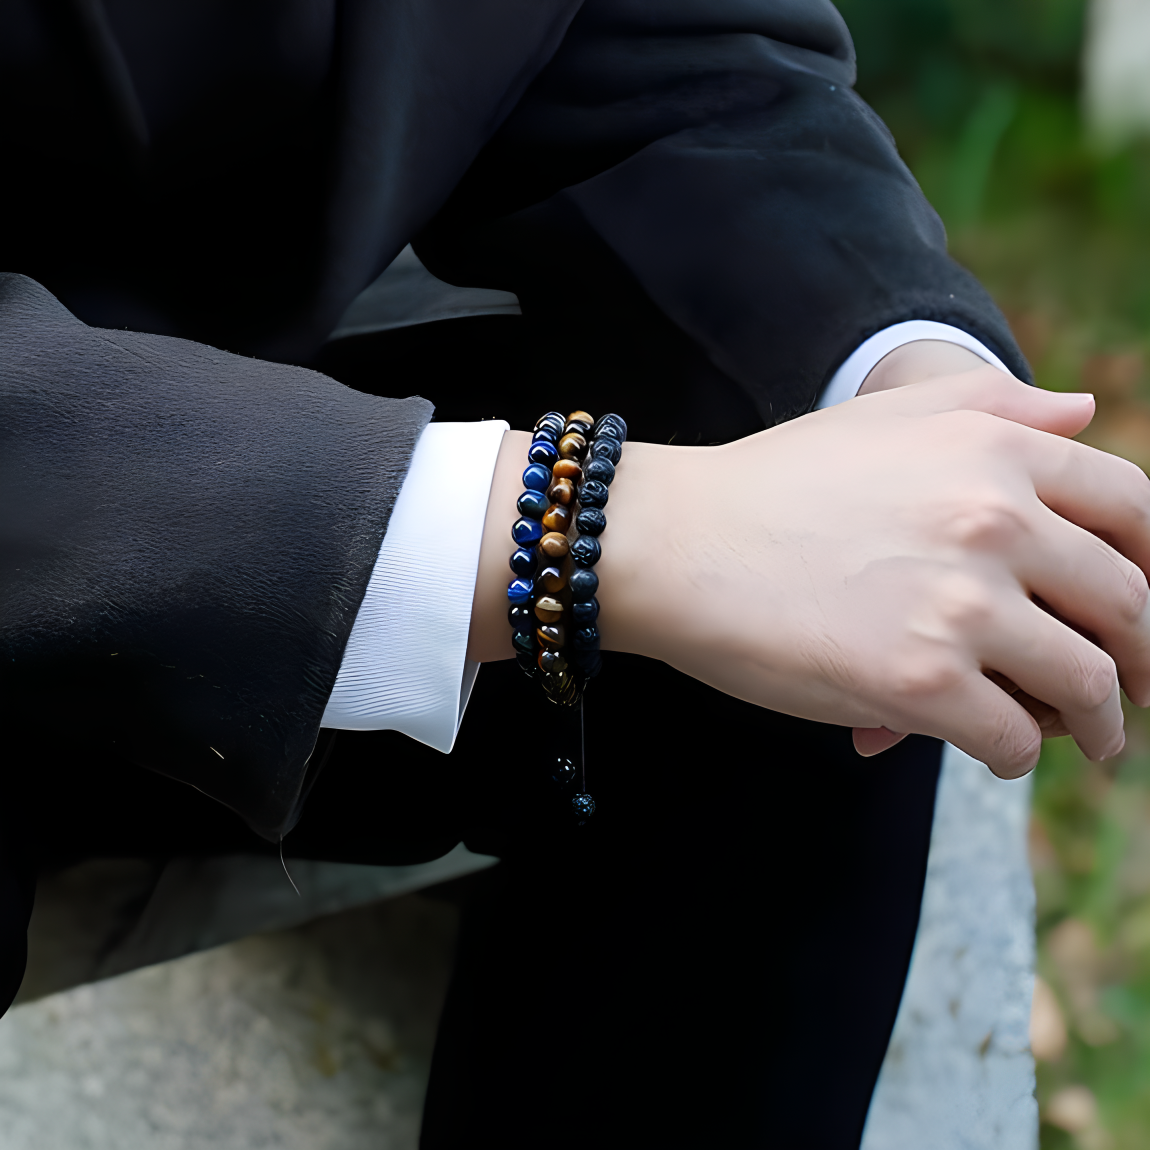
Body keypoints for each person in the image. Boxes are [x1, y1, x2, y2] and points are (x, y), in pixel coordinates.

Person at [2, 0, 1149, 1146]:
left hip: (224, 417)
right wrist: (592, 523)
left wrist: (918, 399)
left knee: (830, 593)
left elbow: (651, 42)